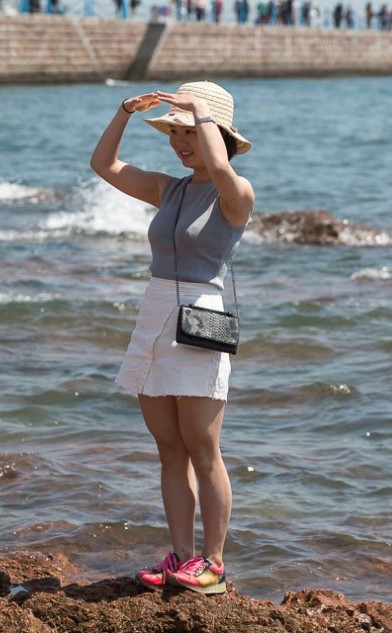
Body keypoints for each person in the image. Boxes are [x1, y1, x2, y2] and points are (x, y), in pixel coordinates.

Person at [89, 82, 254, 595]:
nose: (181, 143)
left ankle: (214, 564)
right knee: (168, 449)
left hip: (201, 317)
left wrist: (201, 111)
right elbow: (104, 166)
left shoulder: (236, 192)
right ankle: (180, 558)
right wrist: (124, 111)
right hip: (155, 313)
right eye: (174, 133)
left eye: (190, 133)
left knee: (204, 449)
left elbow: (221, 170)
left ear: (218, 135)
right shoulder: (170, 188)